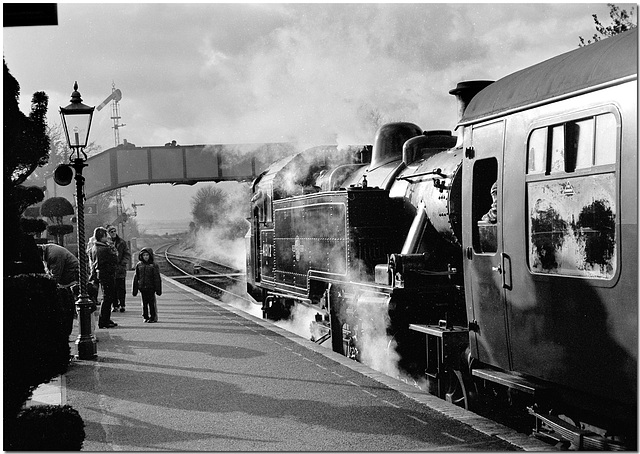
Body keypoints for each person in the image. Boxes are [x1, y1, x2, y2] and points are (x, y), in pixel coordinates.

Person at [40, 243, 79, 340]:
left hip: (70, 279)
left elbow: (55, 276)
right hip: (69, 278)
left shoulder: (54, 254)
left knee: (67, 306)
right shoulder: (49, 250)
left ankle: (66, 334)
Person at [88, 227, 119, 329]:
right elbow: (115, 258)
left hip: (101, 274)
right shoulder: (104, 249)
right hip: (107, 274)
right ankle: (104, 320)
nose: (108, 238)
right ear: (102, 237)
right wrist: (112, 248)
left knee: (107, 297)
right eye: (106, 236)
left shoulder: (94, 247)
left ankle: (106, 318)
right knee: (107, 297)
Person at [132, 247, 162, 323]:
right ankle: (145, 316)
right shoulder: (139, 265)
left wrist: (158, 289)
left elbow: (157, 278)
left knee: (152, 303)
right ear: (141, 256)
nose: (145, 257)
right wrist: (134, 289)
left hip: (151, 288)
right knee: (144, 303)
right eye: (144, 255)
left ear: (150, 256)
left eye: (147, 255)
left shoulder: (153, 265)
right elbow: (136, 277)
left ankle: (153, 317)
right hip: (142, 288)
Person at [107, 225, 131, 312]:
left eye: (114, 231)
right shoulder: (107, 243)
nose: (113, 233)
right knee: (113, 288)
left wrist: (123, 263)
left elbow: (127, 253)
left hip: (120, 268)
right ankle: (115, 305)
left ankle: (122, 304)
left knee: (121, 287)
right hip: (111, 269)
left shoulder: (122, 242)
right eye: (111, 232)